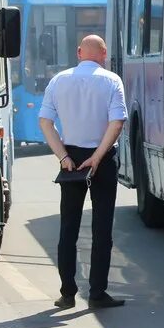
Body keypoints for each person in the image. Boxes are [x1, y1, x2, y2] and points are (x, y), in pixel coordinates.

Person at [39, 35, 128, 310]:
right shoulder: (112, 80)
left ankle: (67, 292)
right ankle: (98, 292)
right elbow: (116, 123)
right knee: (102, 228)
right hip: (101, 158)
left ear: (79, 52)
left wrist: (64, 156)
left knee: (69, 227)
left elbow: (45, 122)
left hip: (71, 160)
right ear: (104, 54)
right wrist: (98, 157)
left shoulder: (58, 80)